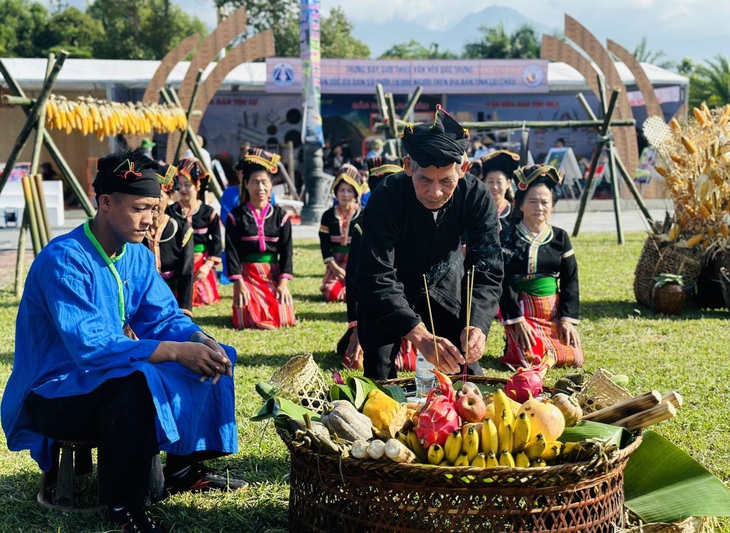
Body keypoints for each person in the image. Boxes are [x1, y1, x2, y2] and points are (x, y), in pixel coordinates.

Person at [1, 149, 245, 533]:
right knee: (136, 385)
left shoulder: (136, 257)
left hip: (102, 378)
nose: (150, 220)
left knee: (215, 356)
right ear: (105, 202)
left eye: (154, 207)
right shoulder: (63, 259)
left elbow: (162, 317)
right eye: (141, 208)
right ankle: (124, 509)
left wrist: (197, 338)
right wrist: (173, 351)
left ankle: (183, 467)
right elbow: (91, 346)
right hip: (54, 391)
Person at [356, 106, 504, 380]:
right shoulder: (386, 197)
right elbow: (376, 274)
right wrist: (421, 337)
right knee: (380, 381)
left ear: (464, 170)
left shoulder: (477, 196)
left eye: (446, 181)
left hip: (446, 281)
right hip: (391, 287)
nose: (435, 192)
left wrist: (477, 325)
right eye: (424, 179)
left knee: (465, 376)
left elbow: (486, 267)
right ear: (408, 166)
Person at [337, 156, 420, 372]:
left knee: (413, 364)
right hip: (376, 309)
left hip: (411, 310)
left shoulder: (418, 225)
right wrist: (356, 329)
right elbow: (355, 281)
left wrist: (413, 325)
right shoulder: (361, 228)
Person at [499, 164, 584, 369]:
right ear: (521, 205)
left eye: (545, 202)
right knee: (532, 358)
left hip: (552, 310)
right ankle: (514, 343)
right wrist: (516, 320)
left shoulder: (560, 237)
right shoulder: (507, 237)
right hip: (521, 308)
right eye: (533, 201)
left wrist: (567, 319)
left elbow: (570, 280)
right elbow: (503, 280)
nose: (539, 207)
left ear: (552, 205)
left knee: (574, 357)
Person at [225, 148, 296, 330]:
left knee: (284, 319)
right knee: (244, 320)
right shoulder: (235, 217)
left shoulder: (281, 216)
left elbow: (286, 251)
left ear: (271, 185)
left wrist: (283, 284)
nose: (260, 188)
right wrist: (238, 283)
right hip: (247, 276)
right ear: (246, 185)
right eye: (255, 182)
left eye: (264, 182)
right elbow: (232, 252)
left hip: (272, 274)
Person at [168, 157, 222, 307]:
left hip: (201, 263)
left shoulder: (209, 213)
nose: (183, 189)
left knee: (205, 298)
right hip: (178, 262)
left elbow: (216, 242)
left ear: (197, 186)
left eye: (188, 185)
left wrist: (207, 265)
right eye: (180, 185)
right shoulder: (171, 212)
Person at [143, 162, 195, 315]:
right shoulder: (135, 231)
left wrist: (185, 308)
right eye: (148, 197)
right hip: (142, 296)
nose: (154, 203)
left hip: (171, 295)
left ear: (170, 197)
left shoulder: (181, 230)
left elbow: (186, 272)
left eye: (159, 196)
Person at [318, 163, 364, 303]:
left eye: (350, 191)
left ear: (355, 193)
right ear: (336, 192)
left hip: (357, 264)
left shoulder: (363, 215)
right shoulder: (328, 216)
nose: (345, 195)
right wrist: (335, 268)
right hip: (336, 264)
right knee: (332, 294)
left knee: (361, 292)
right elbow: (325, 245)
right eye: (342, 190)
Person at [481, 150, 519, 243]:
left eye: (499, 182)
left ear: (508, 183)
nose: (494, 187)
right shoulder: (478, 211)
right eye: (490, 182)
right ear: (484, 182)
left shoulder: (515, 212)